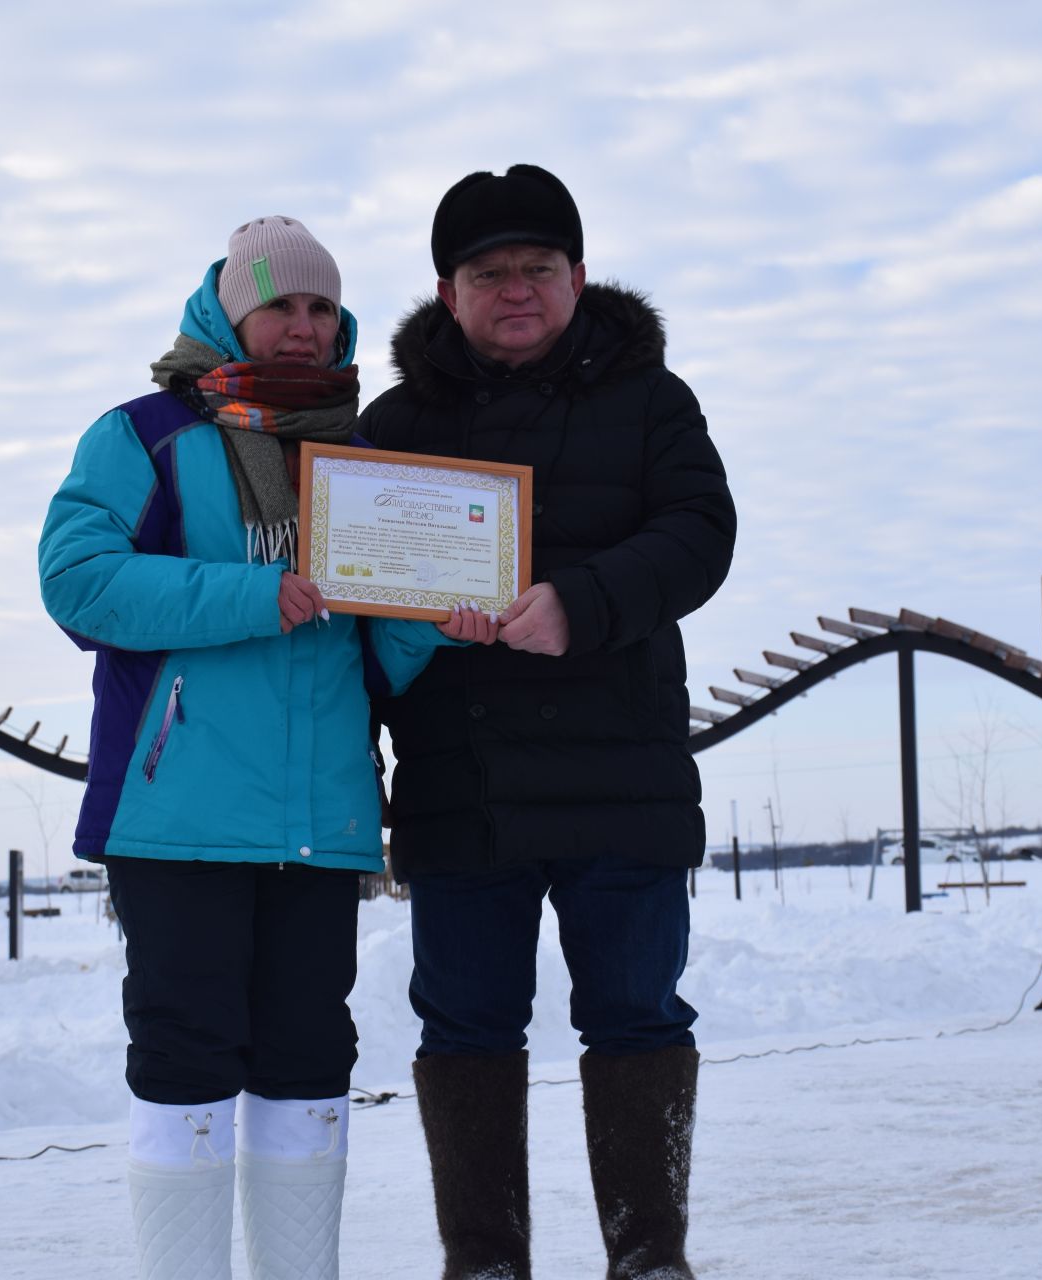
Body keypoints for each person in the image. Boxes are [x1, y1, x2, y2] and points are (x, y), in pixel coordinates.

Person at [38, 216, 493, 1280]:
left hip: (320, 818)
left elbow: (373, 653)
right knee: (185, 1052)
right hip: (178, 812)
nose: (302, 324)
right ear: (228, 310)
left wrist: (441, 615)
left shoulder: (363, 458)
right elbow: (79, 581)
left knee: (306, 1059)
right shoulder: (144, 434)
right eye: (279, 303)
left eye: (321, 306)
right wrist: (254, 592)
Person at [357, 167, 736, 1279]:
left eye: (536, 267)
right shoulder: (395, 425)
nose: (514, 289)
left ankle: (649, 1258)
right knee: (466, 1025)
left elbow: (700, 532)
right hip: (458, 781)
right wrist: (420, 622)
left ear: (576, 274)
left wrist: (580, 602)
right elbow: (363, 594)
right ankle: (483, 1263)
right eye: (489, 272)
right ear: (447, 288)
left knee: (635, 1015)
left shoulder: (652, 399)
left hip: (623, 776)